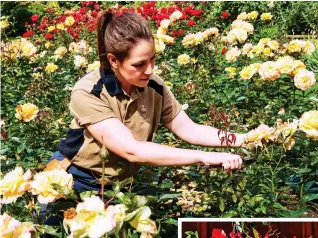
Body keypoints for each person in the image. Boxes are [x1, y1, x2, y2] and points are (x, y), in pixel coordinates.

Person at [42, 9, 246, 224]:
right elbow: (131, 149)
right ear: (113, 60)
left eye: (152, 60)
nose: (149, 70)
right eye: (139, 64)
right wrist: (205, 156)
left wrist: (243, 139)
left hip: (120, 186)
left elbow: (189, 129)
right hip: (73, 182)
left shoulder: (154, 86)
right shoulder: (88, 92)